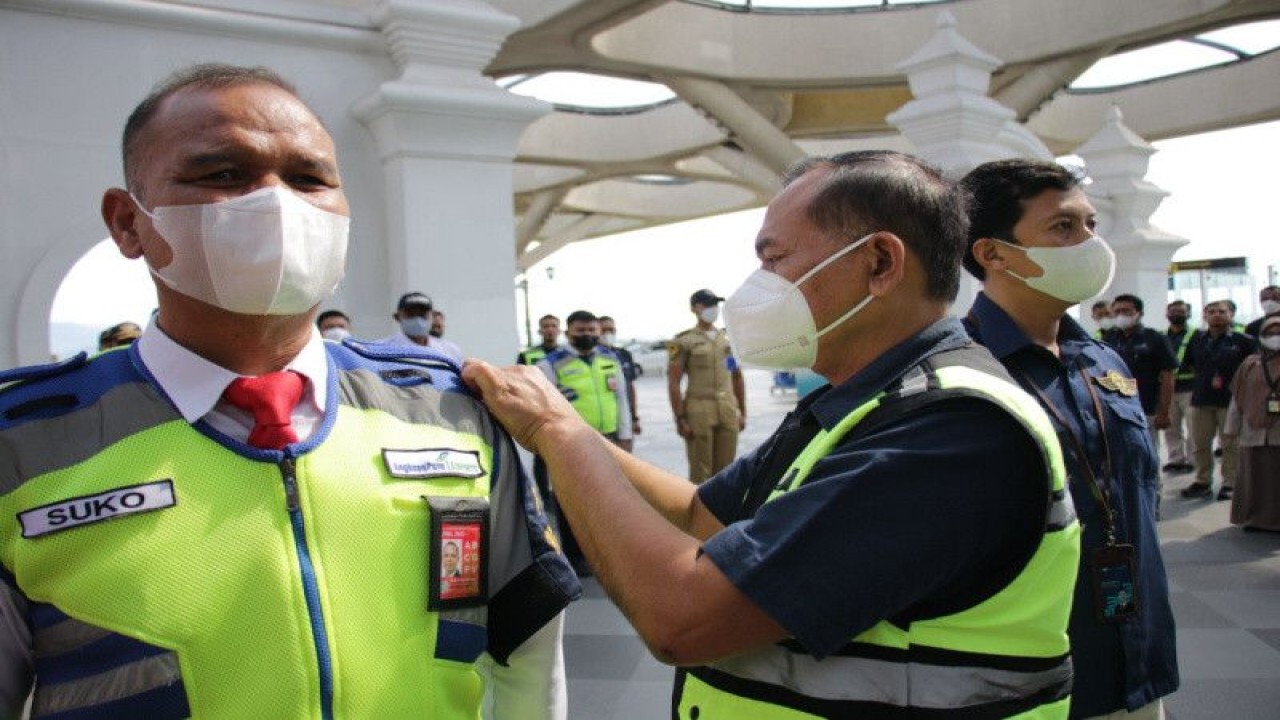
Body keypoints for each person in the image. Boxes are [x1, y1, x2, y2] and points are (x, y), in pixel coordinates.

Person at [0, 63, 578, 719]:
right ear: (128, 223)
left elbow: (528, 651)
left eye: (309, 178)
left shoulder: (450, 411)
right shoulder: (23, 446)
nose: (278, 203)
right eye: (223, 175)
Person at [465, 150, 1081, 717]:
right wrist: (565, 424)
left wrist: (556, 434)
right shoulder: (862, 402)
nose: (758, 285)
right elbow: (696, 513)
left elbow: (681, 619)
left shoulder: (953, 432)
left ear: (879, 263)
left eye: (774, 258)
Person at [960, 158, 1177, 719]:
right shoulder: (959, 374)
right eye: (1063, 227)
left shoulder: (1101, 358)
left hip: (1137, 656)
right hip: (1032, 676)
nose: (1088, 243)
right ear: (993, 254)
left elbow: (1139, 487)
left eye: (1091, 225)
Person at [536, 310, 633, 577]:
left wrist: (625, 435)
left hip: (609, 438)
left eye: (592, 330)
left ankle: (605, 551)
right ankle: (576, 557)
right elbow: (546, 407)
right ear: (568, 332)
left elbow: (621, 398)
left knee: (608, 497)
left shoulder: (610, 359)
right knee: (571, 499)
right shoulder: (551, 364)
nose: (587, 335)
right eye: (581, 331)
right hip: (572, 441)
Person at [1180, 299, 1257, 501]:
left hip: (1231, 402)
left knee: (1231, 444)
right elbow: (1188, 365)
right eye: (1211, 311)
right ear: (1204, 315)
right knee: (1199, 443)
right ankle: (1202, 480)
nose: (1216, 315)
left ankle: (1230, 483)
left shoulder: (1244, 341)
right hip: (1201, 399)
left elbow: (1253, 369)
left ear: (1231, 314)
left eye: (1222, 311)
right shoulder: (1197, 339)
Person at [667, 289, 746, 483]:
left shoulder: (727, 340)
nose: (713, 309)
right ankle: (698, 511)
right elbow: (674, 382)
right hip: (698, 410)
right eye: (707, 304)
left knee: (727, 470)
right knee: (701, 471)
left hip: (727, 408)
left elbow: (737, 377)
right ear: (694, 308)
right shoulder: (682, 341)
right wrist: (679, 418)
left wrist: (742, 411)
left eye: (715, 305)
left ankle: (723, 512)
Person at [1224, 313, 1280, 531]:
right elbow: (1237, 398)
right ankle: (1255, 518)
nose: (1275, 336)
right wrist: (1231, 427)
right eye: (1270, 333)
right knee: (1254, 476)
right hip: (1252, 431)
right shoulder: (1250, 364)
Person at [1109, 294, 1178, 454]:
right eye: (1117, 311)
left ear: (1139, 313)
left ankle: (1152, 480)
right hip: (1115, 407)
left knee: (1148, 452)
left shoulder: (1155, 338)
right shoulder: (1109, 338)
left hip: (1146, 407)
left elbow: (1168, 376)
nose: (1121, 315)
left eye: (1126, 311)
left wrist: (1164, 411)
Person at [1162, 300, 1198, 472]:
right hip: (1168, 390)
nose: (1176, 314)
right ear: (1167, 314)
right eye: (1173, 311)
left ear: (1188, 314)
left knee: (1193, 427)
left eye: (1181, 311)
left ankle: (1192, 460)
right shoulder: (1162, 336)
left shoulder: (1196, 335)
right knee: (1171, 427)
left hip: (1190, 388)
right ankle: (1176, 458)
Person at [380, 291, 464, 362]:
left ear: (432, 316)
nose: (417, 319)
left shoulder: (450, 351)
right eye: (411, 314)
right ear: (397, 317)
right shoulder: (381, 351)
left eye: (422, 314)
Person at [599, 315, 642, 442]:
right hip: (604, 423)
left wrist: (634, 418)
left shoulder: (623, 354)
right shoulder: (592, 358)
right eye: (604, 330)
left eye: (611, 330)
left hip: (625, 417)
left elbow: (630, 387)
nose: (608, 334)